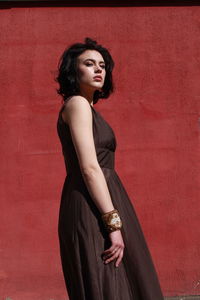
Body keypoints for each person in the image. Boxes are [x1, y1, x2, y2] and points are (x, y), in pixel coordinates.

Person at [55, 37, 164, 300]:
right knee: (107, 284)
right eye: (89, 64)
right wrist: (113, 224)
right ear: (74, 71)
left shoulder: (88, 108)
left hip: (103, 201)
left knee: (120, 282)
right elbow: (90, 167)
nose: (98, 70)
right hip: (92, 206)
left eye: (102, 65)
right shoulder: (77, 104)